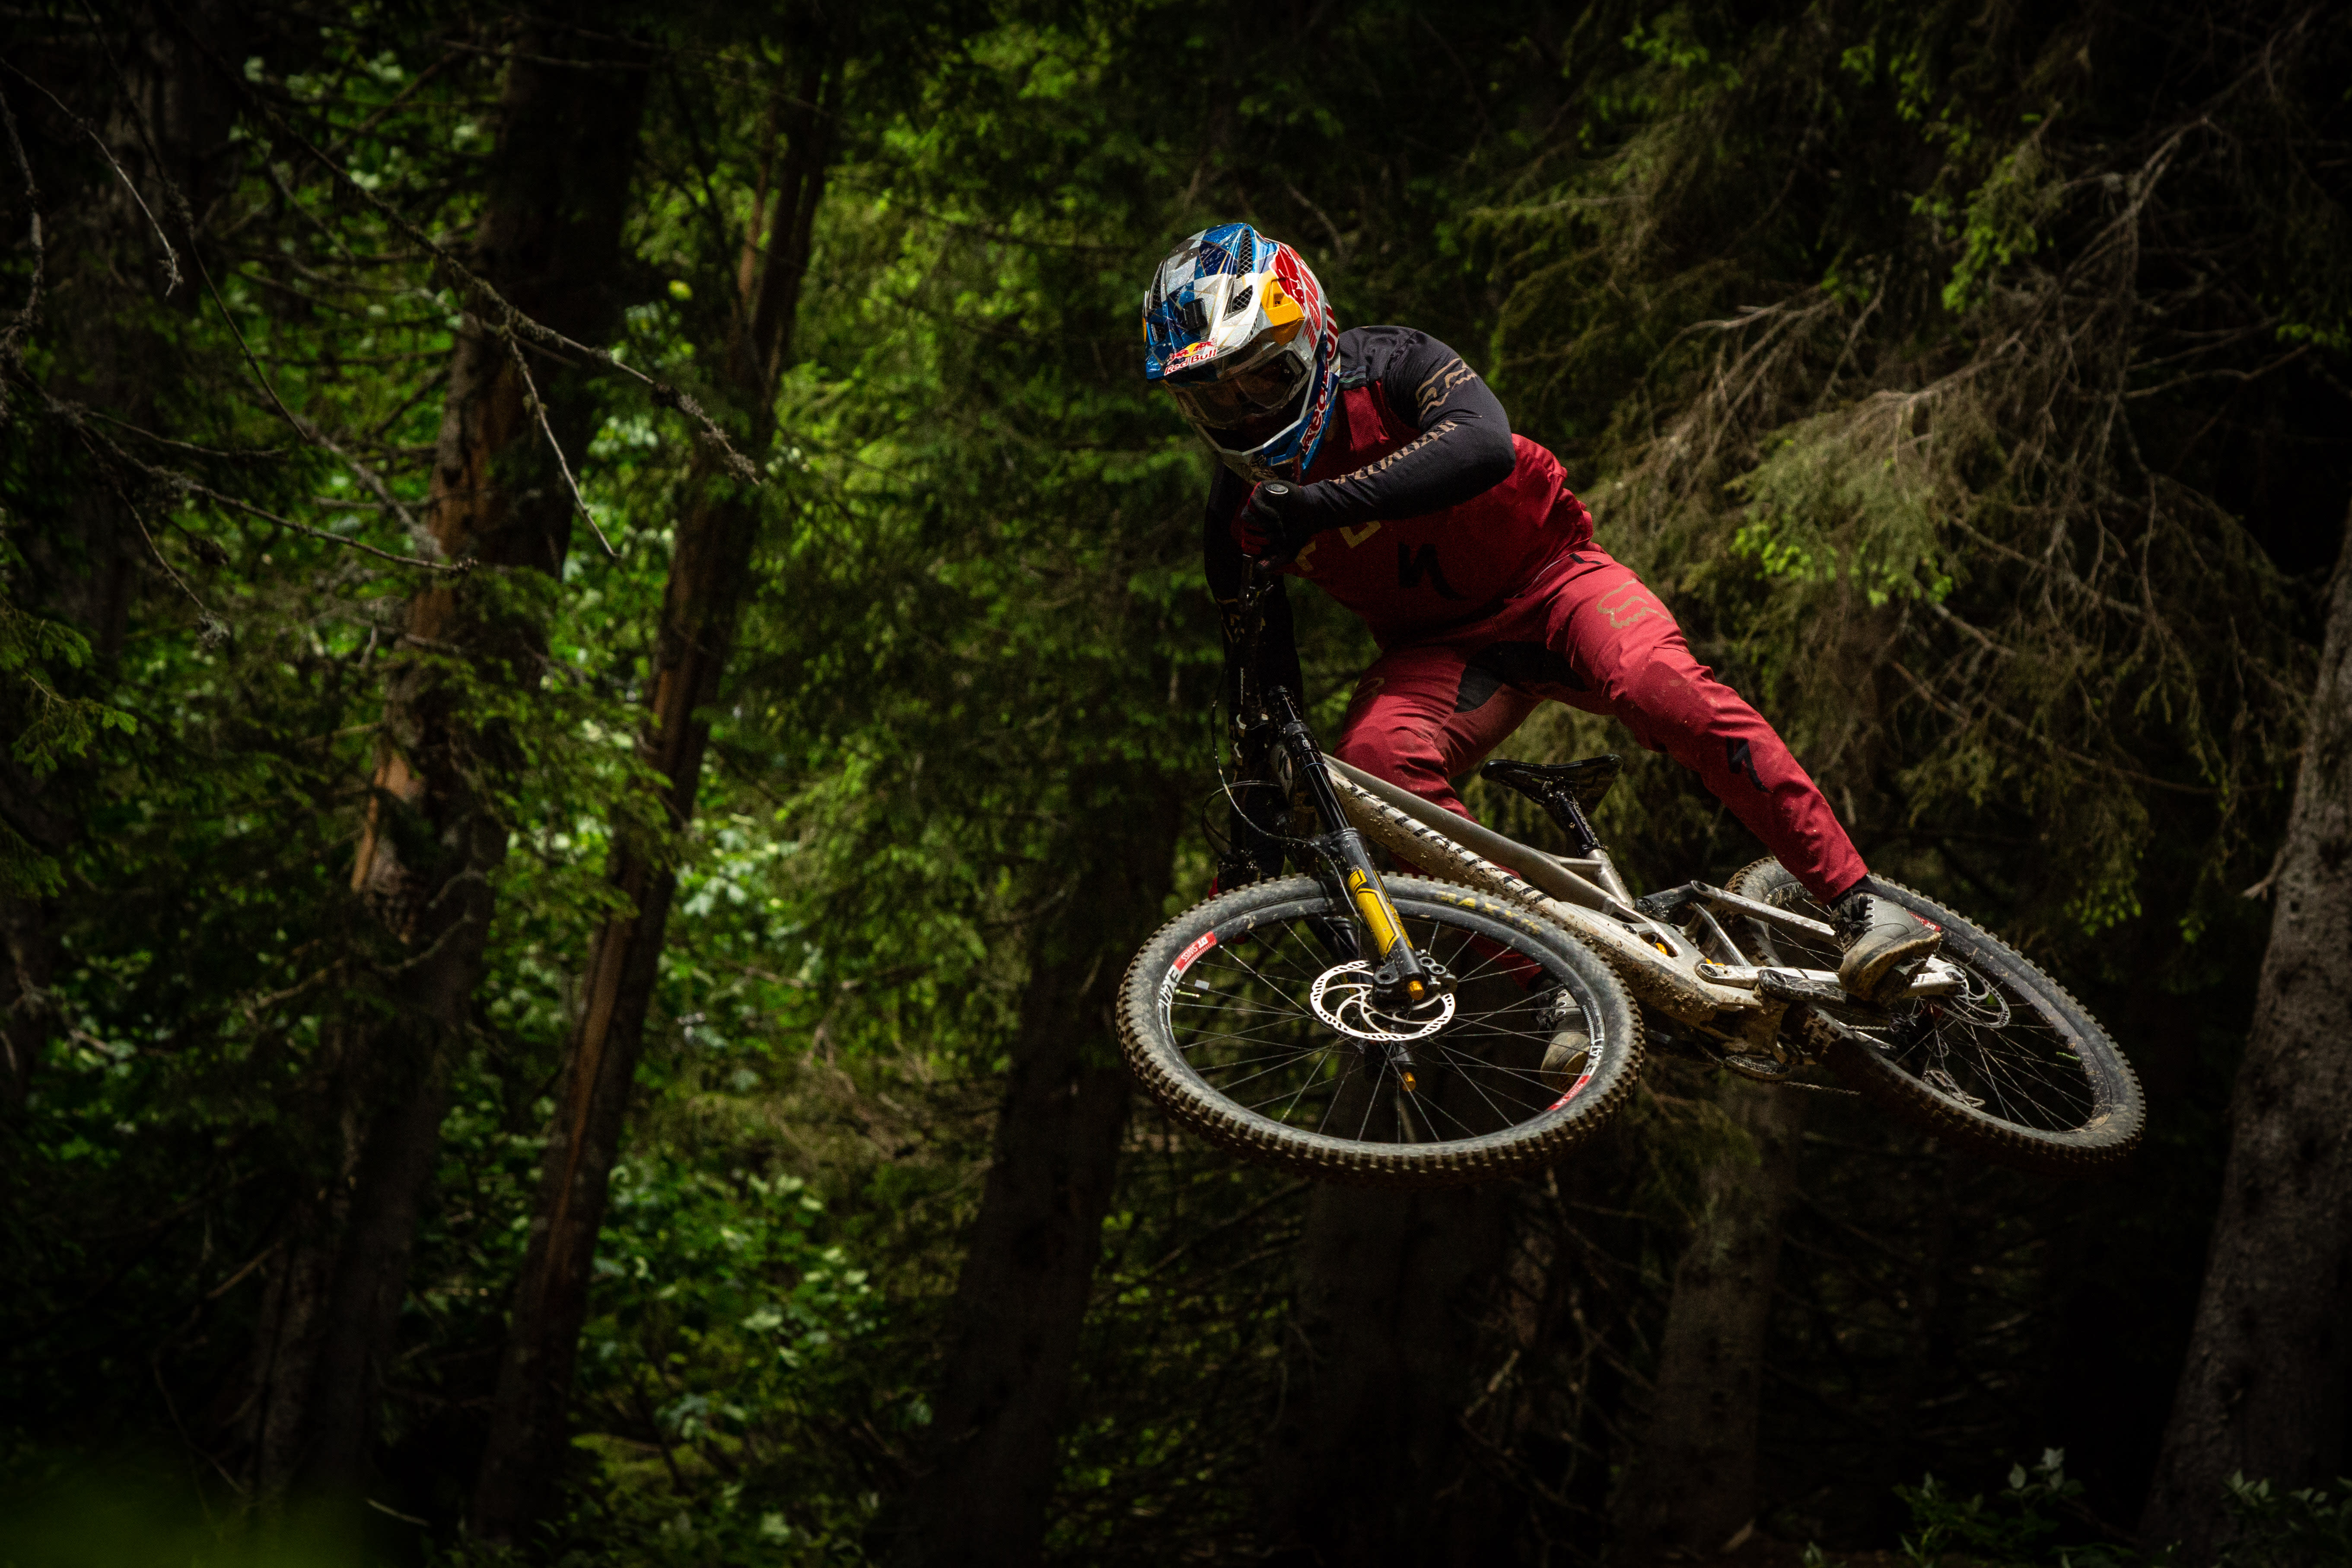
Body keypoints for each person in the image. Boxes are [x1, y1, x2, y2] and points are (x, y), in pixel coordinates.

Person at [1140, 221, 1938, 1000]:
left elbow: (1481, 443)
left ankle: (1858, 899)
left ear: (1312, 336)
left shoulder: (1392, 364)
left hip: (1557, 582)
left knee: (1658, 684)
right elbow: (1264, 681)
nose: (1248, 412)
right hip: (1438, 653)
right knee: (1374, 766)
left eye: (1263, 378)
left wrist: (1318, 504)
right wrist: (1254, 824)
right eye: (1218, 399)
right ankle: (1564, 982)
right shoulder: (1237, 517)